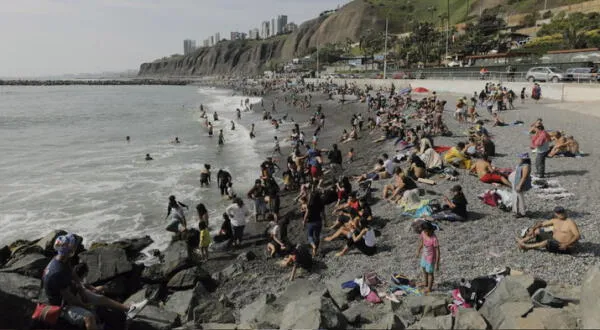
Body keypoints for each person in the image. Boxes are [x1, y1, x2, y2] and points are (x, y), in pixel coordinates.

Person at [41, 234, 146, 330]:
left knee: (100, 297)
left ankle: (128, 309)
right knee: (89, 317)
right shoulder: (57, 272)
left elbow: (72, 274)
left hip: (70, 292)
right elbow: (70, 299)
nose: (75, 247)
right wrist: (86, 306)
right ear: (69, 250)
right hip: (61, 306)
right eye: (73, 245)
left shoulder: (61, 259)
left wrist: (84, 287)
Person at [416, 222, 440, 293]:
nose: (426, 233)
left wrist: (437, 263)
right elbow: (421, 242)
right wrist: (418, 250)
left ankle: (429, 288)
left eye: (427, 231)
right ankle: (425, 282)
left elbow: (438, 252)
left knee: (430, 272)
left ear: (431, 230)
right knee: (423, 268)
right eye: (425, 231)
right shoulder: (423, 233)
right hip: (424, 255)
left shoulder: (434, 239)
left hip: (430, 259)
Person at [509, 153, 532, 218]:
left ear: (523, 159)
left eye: (520, 158)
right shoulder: (522, 164)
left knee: (519, 198)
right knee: (516, 197)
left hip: (520, 183)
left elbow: (524, 177)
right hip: (516, 182)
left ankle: (521, 212)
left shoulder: (526, 166)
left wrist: (519, 185)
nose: (519, 159)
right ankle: (516, 210)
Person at [304, 190, 325, 257]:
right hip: (319, 222)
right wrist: (325, 221)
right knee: (317, 237)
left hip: (311, 223)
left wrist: (304, 222)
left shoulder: (309, 205)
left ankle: (313, 246)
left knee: (310, 236)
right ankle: (314, 251)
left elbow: (306, 215)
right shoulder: (321, 204)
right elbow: (323, 214)